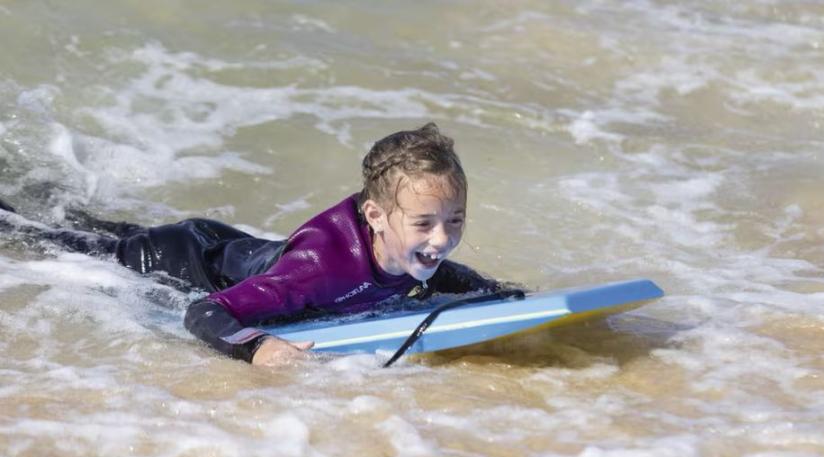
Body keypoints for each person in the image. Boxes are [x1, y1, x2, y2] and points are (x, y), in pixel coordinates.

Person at [0, 123, 503, 365]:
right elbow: (204, 312)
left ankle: (39, 190)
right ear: (376, 215)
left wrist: (500, 296)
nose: (442, 239)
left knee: (85, 222)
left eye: (455, 219)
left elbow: (446, 275)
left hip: (229, 246)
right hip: (176, 259)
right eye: (425, 224)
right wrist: (257, 346)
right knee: (47, 238)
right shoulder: (317, 271)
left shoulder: (412, 247)